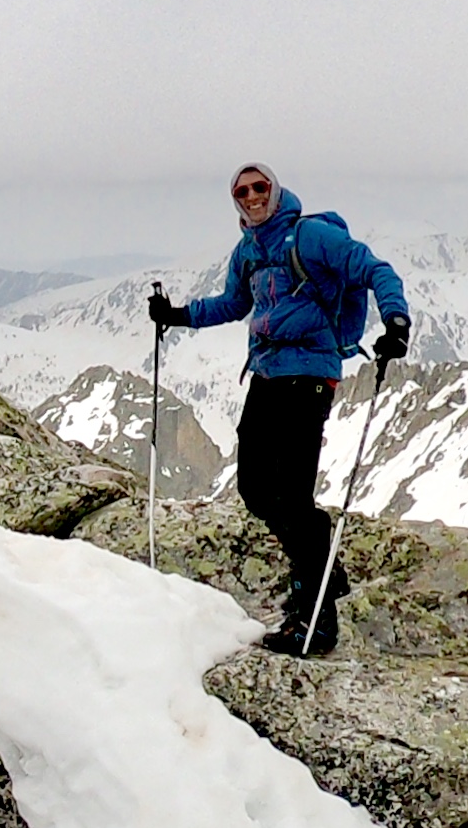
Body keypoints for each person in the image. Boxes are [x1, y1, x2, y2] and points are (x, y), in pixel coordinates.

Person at [148, 163, 410, 655]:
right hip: (266, 374)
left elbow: (375, 269)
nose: (252, 196)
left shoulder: (311, 236)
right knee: (254, 488)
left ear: (275, 189)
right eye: (242, 191)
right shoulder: (248, 250)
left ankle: (315, 619)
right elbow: (233, 304)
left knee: (291, 495)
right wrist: (176, 316)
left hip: (309, 375)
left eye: (259, 187)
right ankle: (322, 567)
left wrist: (396, 321)